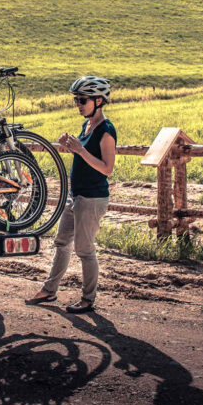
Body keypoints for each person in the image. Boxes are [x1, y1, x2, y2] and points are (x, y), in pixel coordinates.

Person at [26, 75, 116, 313]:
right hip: (76, 196)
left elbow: (107, 168)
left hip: (92, 199)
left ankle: (88, 299)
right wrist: (70, 147)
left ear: (98, 101)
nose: (78, 104)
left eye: (83, 100)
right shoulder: (87, 126)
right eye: (76, 100)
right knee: (61, 243)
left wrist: (80, 150)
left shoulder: (106, 130)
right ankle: (49, 290)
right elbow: (84, 156)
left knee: (85, 250)